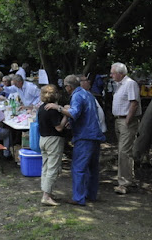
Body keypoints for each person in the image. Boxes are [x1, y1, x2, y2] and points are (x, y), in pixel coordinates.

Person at [49, 75, 105, 205]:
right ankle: (91, 194)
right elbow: (86, 114)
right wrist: (72, 122)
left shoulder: (77, 96)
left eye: (65, 86)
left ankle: (78, 198)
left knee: (78, 167)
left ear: (69, 87)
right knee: (92, 168)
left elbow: (74, 113)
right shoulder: (88, 94)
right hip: (95, 134)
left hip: (85, 136)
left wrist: (58, 108)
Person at [110, 62, 141, 195]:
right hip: (119, 120)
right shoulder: (120, 85)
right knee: (125, 151)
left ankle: (124, 183)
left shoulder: (130, 83)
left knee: (123, 152)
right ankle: (129, 179)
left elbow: (134, 103)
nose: (111, 75)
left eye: (113, 73)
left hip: (126, 121)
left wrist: (127, 120)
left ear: (120, 73)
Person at [38, 84, 68, 206]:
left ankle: (46, 191)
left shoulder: (41, 108)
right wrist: (66, 115)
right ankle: (46, 195)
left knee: (45, 167)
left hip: (43, 139)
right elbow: (59, 127)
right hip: (53, 140)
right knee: (53, 168)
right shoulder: (52, 110)